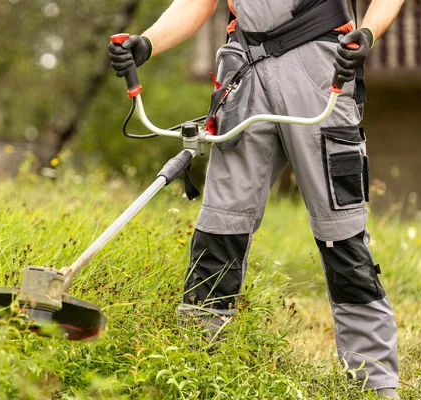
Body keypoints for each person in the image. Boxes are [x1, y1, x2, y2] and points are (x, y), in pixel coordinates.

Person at [109, 0, 405, 398]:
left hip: (319, 65)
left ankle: (376, 382)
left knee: (342, 233)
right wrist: (147, 43)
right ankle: (196, 366)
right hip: (244, 70)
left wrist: (367, 32)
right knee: (220, 225)